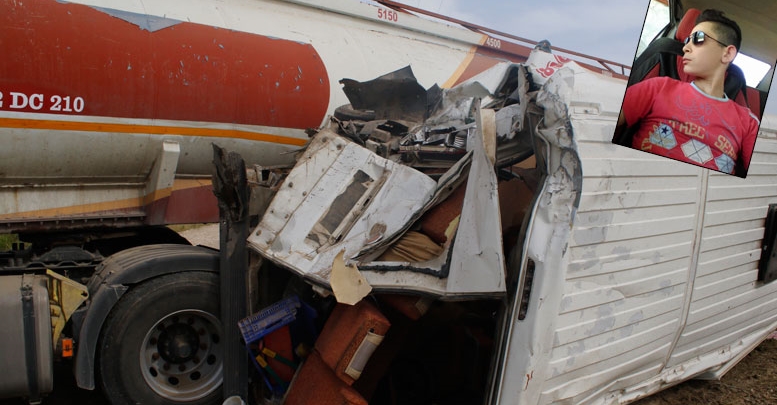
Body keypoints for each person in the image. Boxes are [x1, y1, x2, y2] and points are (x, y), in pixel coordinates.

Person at [617, 9, 759, 177]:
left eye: (698, 39)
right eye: (687, 40)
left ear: (727, 53)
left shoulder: (748, 123)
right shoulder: (657, 88)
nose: (686, 47)